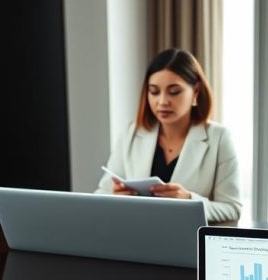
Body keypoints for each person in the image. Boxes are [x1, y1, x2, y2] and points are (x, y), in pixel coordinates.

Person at [96, 48, 242, 223]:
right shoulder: (132, 134)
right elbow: (101, 195)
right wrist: (116, 198)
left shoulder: (219, 138)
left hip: (189, 244)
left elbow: (232, 208)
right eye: (154, 92)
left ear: (195, 92)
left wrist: (189, 200)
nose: (162, 101)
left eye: (174, 92)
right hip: (138, 238)